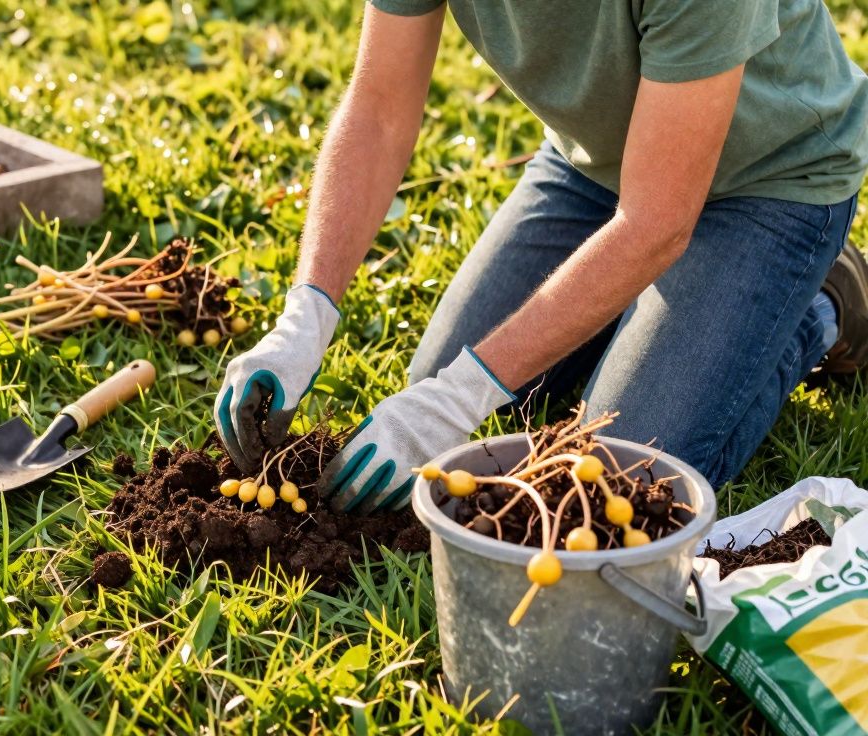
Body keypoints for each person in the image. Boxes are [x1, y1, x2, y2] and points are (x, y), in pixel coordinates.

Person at [214, 0, 868, 513]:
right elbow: (379, 110)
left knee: (620, 480)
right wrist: (307, 315)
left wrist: (465, 392)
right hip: (597, 167)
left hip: (768, 181)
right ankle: (642, 307)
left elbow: (657, 222)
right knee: (434, 390)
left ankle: (818, 305)